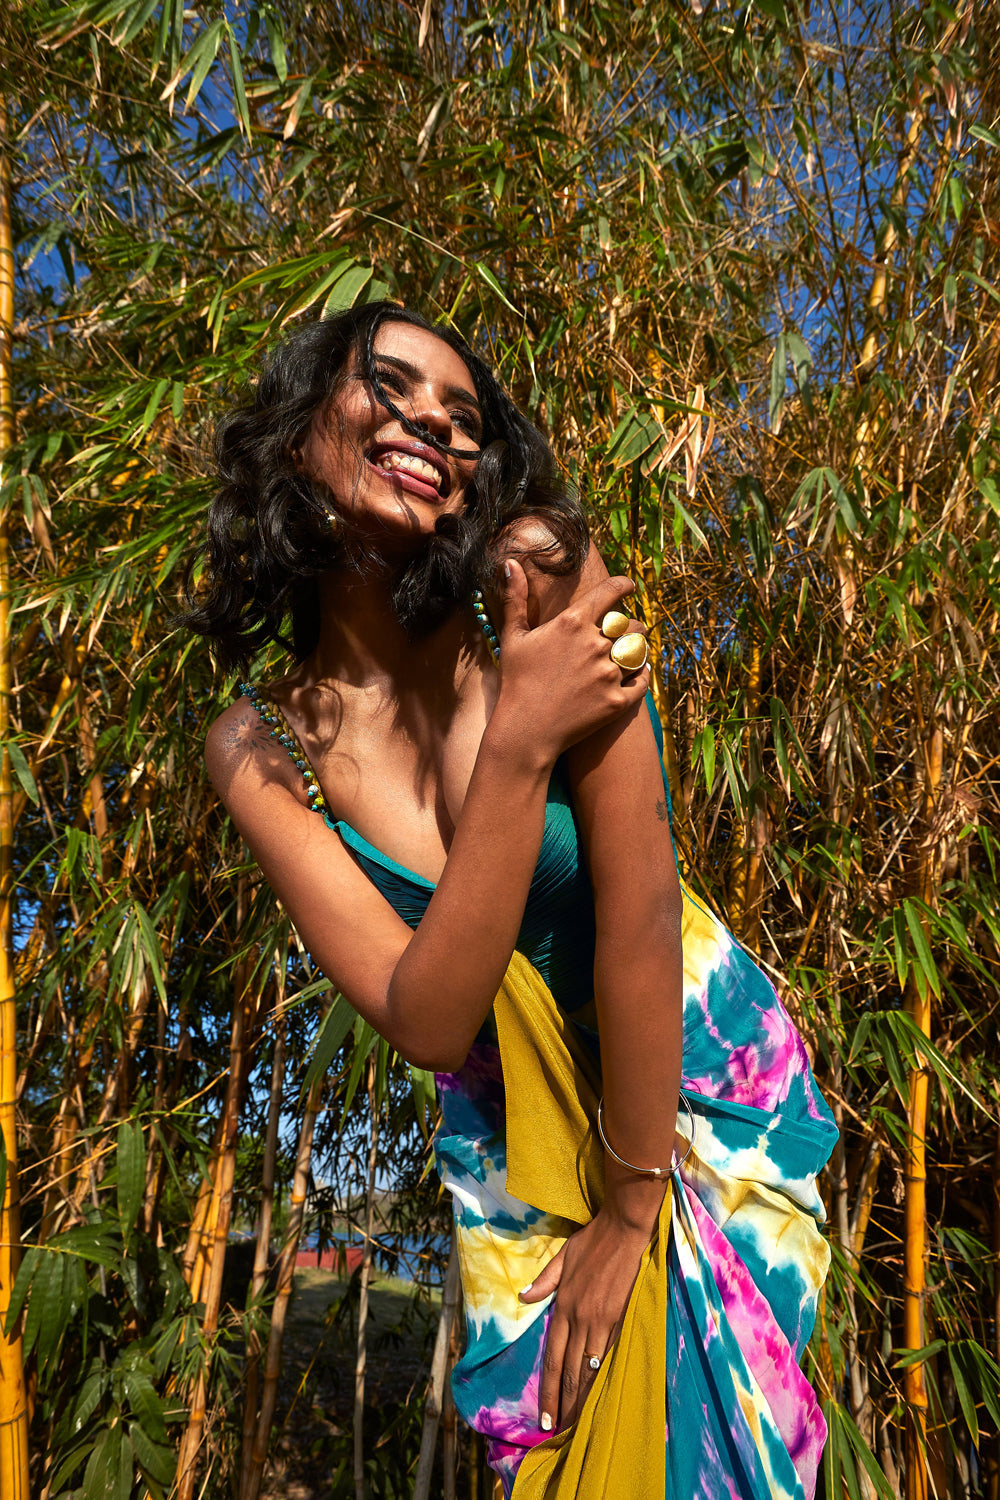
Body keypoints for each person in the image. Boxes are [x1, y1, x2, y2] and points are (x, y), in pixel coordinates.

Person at [188, 302, 837, 1499]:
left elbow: (642, 911)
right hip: (513, 1140)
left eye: (462, 413)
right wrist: (520, 745)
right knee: (562, 1460)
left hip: (691, 1086)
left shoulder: (540, 575)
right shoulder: (258, 745)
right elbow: (427, 1017)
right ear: (292, 438)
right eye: (390, 385)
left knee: (708, 1459)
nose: (432, 416)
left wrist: (636, 1210)